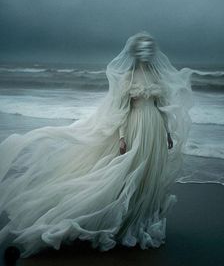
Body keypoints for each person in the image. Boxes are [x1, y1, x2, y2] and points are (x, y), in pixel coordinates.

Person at [0, 31, 194, 258]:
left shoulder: (158, 78)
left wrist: (167, 133)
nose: (147, 53)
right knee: (131, 173)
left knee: (147, 176)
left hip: (154, 131)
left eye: (149, 49)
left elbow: (162, 108)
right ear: (135, 52)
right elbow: (121, 110)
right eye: (143, 49)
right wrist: (122, 136)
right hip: (135, 127)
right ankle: (120, 222)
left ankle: (138, 220)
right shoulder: (127, 78)